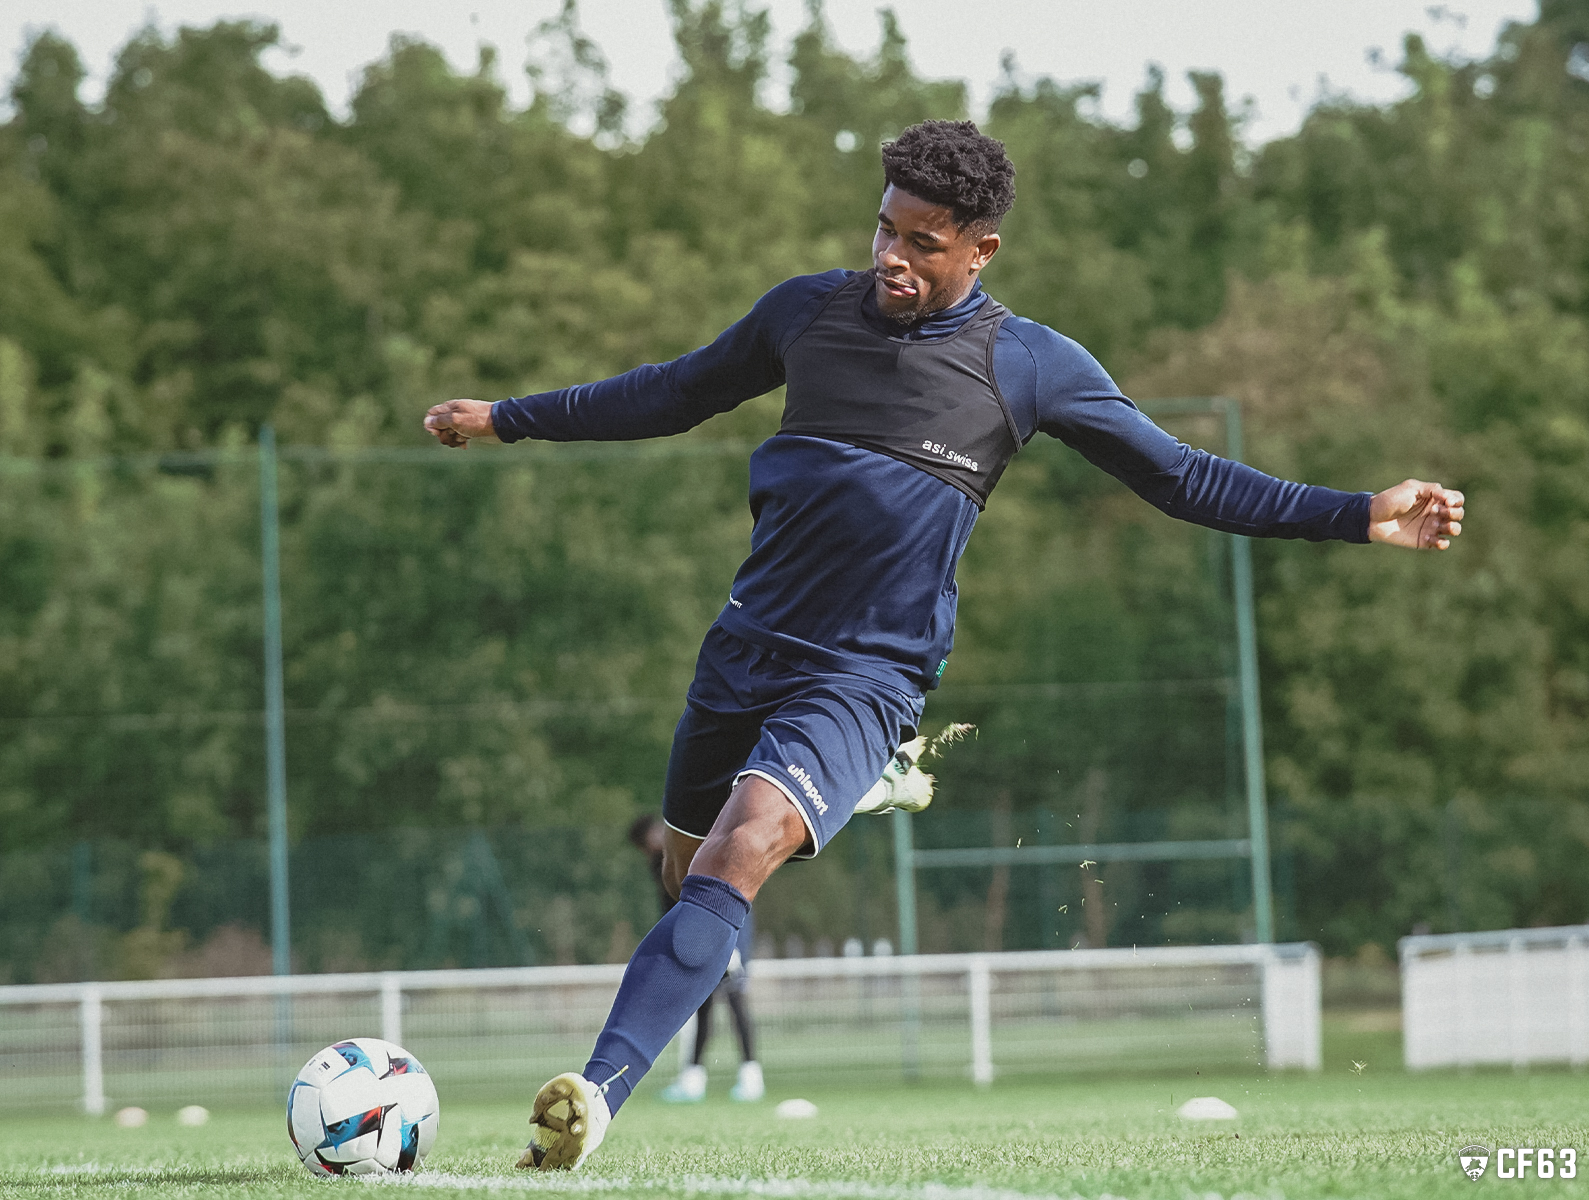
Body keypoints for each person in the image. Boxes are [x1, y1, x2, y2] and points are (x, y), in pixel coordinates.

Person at [424, 120, 1465, 1171]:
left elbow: (1181, 475)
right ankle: (863, 786)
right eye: (885, 229)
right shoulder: (805, 311)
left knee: (744, 849)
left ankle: (594, 1097)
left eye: (923, 242)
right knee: (686, 868)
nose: (892, 256)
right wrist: (511, 417)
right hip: (743, 647)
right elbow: (674, 390)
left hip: (866, 672)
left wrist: (1355, 514)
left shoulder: (1027, 364)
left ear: (981, 249)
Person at [626, 813, 763, 1104]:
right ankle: (694, 1078)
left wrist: (729, 941)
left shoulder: (689, 850)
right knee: (703, 1005)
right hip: (698, 937)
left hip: (724, 929)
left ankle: (750, 1076)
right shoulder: (664, 862)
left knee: (735, 1000)